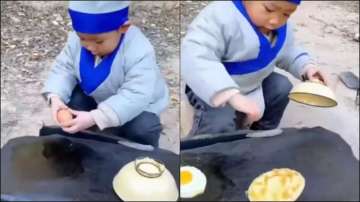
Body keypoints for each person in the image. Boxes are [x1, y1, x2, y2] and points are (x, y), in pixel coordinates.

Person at [181, 0, 329, 135]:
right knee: (219, 122)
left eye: (286, 14)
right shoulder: (221, 16)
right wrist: (231, 95)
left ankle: (261, 135)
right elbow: (196, 56)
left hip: (251, 82)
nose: (275, 20)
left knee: (281, 87)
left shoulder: (280, 27)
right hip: (214, 87)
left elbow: (288, 51)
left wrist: (306, 68)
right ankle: (208, 153)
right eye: (269, 9)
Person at [42, 1, 169, 147]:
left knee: (143, 129)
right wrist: (55, 97)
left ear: (123, 28)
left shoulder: (140, 51)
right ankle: (85, 140)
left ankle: (141, 156)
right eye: (82, 38)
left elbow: (136, 94)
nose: (89, 46)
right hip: (99, 95)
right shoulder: (77, 40)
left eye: (99, 42)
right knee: (74, 103)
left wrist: (95, 117)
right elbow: (63, 68)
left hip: (139, 104)